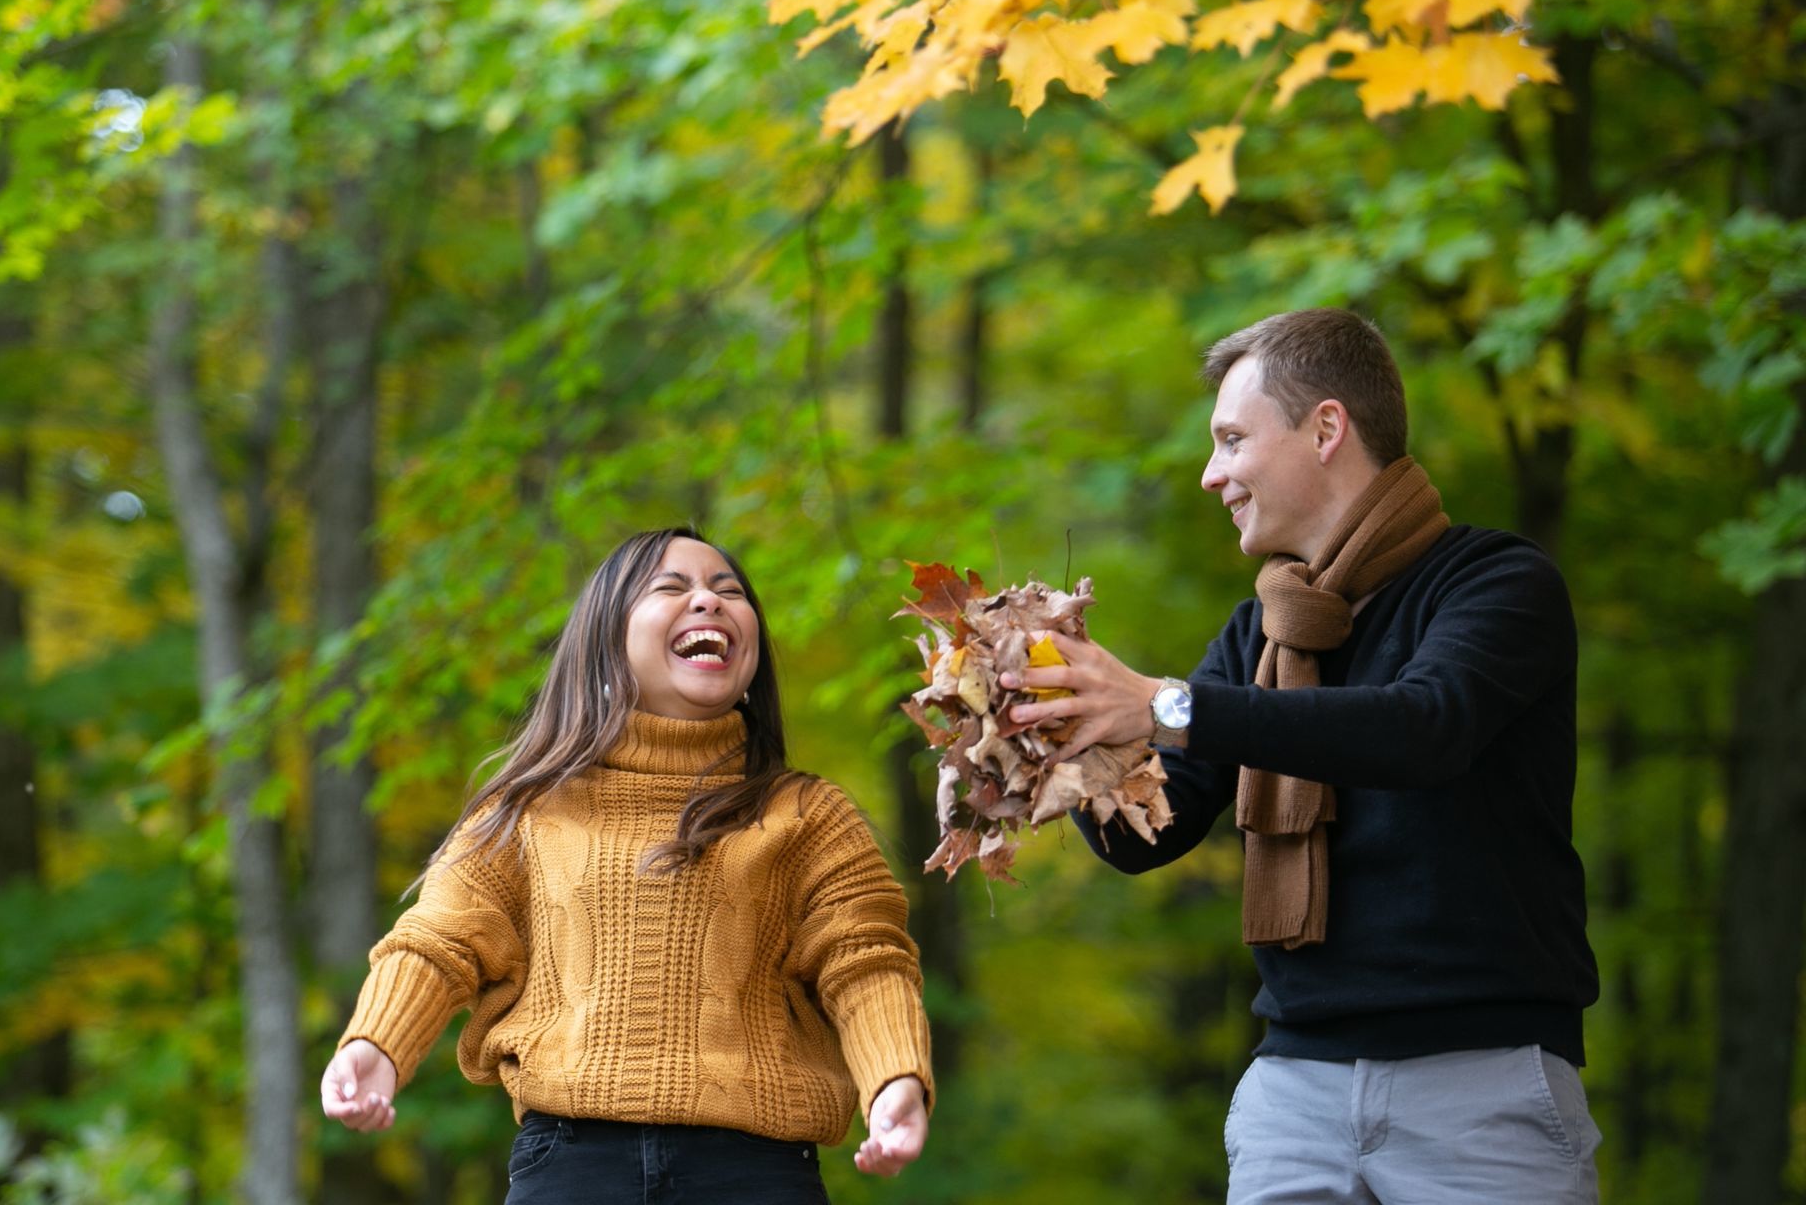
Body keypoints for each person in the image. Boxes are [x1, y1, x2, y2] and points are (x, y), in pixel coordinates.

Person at [1001, 309, 1601, 1203]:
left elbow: (1420, 727)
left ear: (1325, 429)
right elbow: (1149, 837)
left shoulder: (1498, 583)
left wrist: (1160, 705)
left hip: (1480, 1086)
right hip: (1295, 1091)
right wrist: (1060, 736)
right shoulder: (1260, 632)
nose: (1212, 475)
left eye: (1232, 440)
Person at [320, 528, 933, 1203]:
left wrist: (895, 1078)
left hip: (756, 1173)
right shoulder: (527, 808)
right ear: (607, 641)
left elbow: (867, 958)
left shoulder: (809, 814)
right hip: (572, 1167)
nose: (708, 601)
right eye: (672, 588)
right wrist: (375, 1046)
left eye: (728, 591)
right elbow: (438, 941)